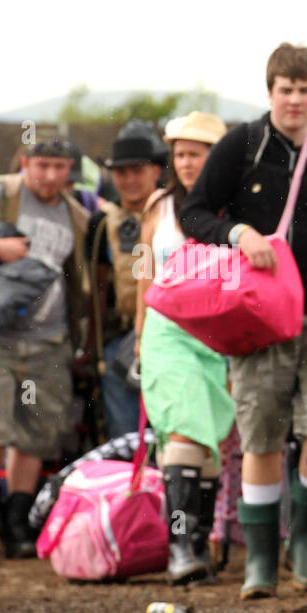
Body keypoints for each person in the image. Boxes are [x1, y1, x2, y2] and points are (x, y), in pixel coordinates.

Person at [181, 43, 307, 599]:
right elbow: (194, 214)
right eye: (284, 90)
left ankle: (305, 546)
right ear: (270, 93)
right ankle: (261, 562)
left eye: (304, 89)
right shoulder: (241, 144)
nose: (294, 99)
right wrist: (238, 234)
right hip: (257, 313)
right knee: (261, 433)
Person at [133, 111, 234, 585]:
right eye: (180, 153)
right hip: (166, 330)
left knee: (209, 434)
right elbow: (143, 270)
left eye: (196, 153)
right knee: (185, 427)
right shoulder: (159, 206)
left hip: (216, 336)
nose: (187, 162)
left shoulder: (231, 208)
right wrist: (138, 334)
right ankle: (178, 548)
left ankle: (197, 548)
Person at [0, 134, 90, 557]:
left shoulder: (77, 215)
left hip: (50, 340)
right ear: (24, 162)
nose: (49, 175)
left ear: (69, 171)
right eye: (41, 165)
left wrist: (82, 341)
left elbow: (80, 284)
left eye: (59, 167)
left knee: (34, 435)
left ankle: (16, 523)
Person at [89, 120, 168, 441]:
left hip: (169, 338)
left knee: (168, 431)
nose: (129, 180)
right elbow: (97, 288)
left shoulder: (175, 216)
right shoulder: (101, 223)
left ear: (156, 172)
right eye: (121, 173)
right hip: (119, 342)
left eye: (138, 170)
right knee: (124, 435)